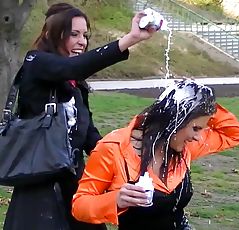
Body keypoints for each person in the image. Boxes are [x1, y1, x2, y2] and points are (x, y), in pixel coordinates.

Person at [4, 2, 156, 230]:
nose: (82, 42)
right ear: (52, 34)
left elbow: (88, 134)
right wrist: (131, 38)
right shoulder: (36, 62)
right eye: (74, 34)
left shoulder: (75, 83)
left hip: (76, 183)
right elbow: (71, 68)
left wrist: (124, 164)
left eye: (85, 35)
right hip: (39, 185)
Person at [71, 80, 239, 229]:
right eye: (195, 128)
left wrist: (200, 99)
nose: (198, 137)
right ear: (175, 120)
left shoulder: (184, 146)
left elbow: (233, 134)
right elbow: (79, 206)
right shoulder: (113, 148)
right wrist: (116, 200)